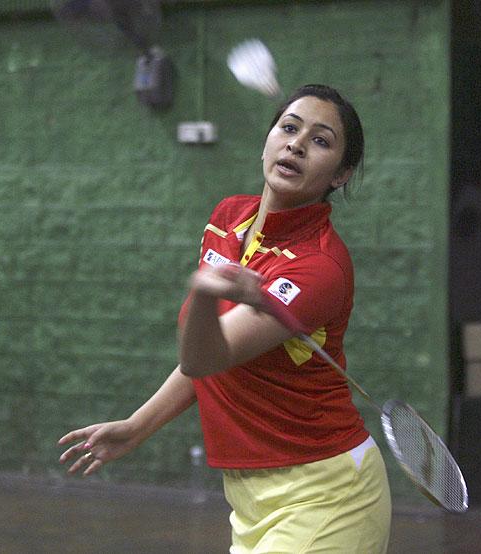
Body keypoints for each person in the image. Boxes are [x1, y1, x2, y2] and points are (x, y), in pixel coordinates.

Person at [58, 84, 392, 553]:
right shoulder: (228, 218)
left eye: (320, 140)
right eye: (289, 127)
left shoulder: (319, 267)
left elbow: (205, 357)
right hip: (249, 501)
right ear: (268, 139)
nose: (296, 143)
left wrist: (200, 294)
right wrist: (138, 426)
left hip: (326, 494)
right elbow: (211, 367)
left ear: (341, 174)